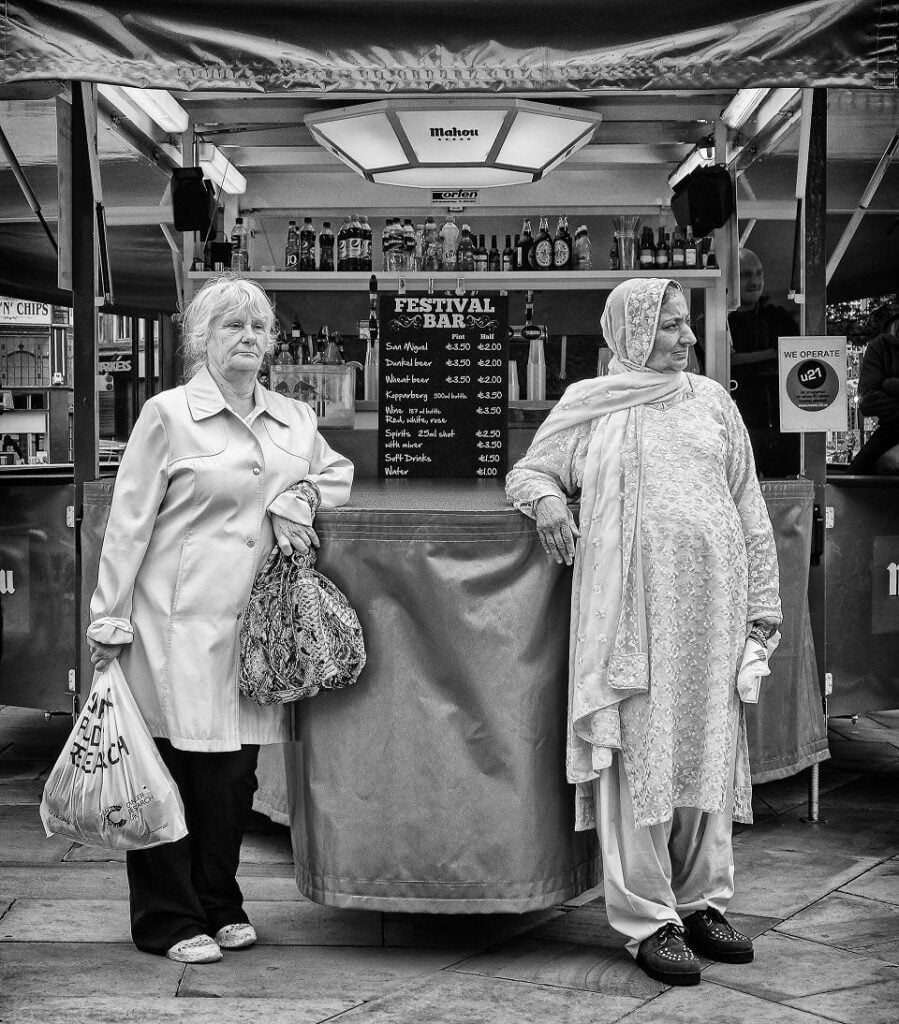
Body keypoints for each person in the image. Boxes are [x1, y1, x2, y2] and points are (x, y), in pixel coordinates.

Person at [506, 278, 781, 986]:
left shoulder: (712, 401)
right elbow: (530, 470)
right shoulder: (590, 406)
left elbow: (746, 501)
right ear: (629, 332)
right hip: (633, 617)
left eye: (687, 326)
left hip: (711, 614)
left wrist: (761, 605)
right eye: (670, 328)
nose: (688, 339)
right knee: (640, 756)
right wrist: (545, 501)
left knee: (705, 752)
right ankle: (647, 919)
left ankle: (700, 900)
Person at [86, 275, 353, 965]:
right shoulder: (168, 415)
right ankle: (167, 919)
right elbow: (127, 524)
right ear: (200, 340)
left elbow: (336, 475)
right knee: (167, 771)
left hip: (253, 632)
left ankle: (219, 901)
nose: (247, 339)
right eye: (230, 326)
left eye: (258, 328)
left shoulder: (294, 417)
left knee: (231, 778)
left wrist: (297, 497)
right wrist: (108, 621)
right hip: (170, 629)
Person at [728, 248, 801, 477]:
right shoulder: (717, 321)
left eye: (759, 274)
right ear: (731, 278)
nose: (755, 281)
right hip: (740, 430)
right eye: (746, 274)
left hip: (785, 430)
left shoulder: (778, 317)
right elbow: (729, 365)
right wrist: (773, 354)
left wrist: (747, 361)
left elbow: (795, 359)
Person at [849, 315, 899, 473]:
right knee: (857, 473)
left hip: (891, 426)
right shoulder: (880, 346)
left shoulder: (880, 347)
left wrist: (889, 384)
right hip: (892, 428)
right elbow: (867, 401)